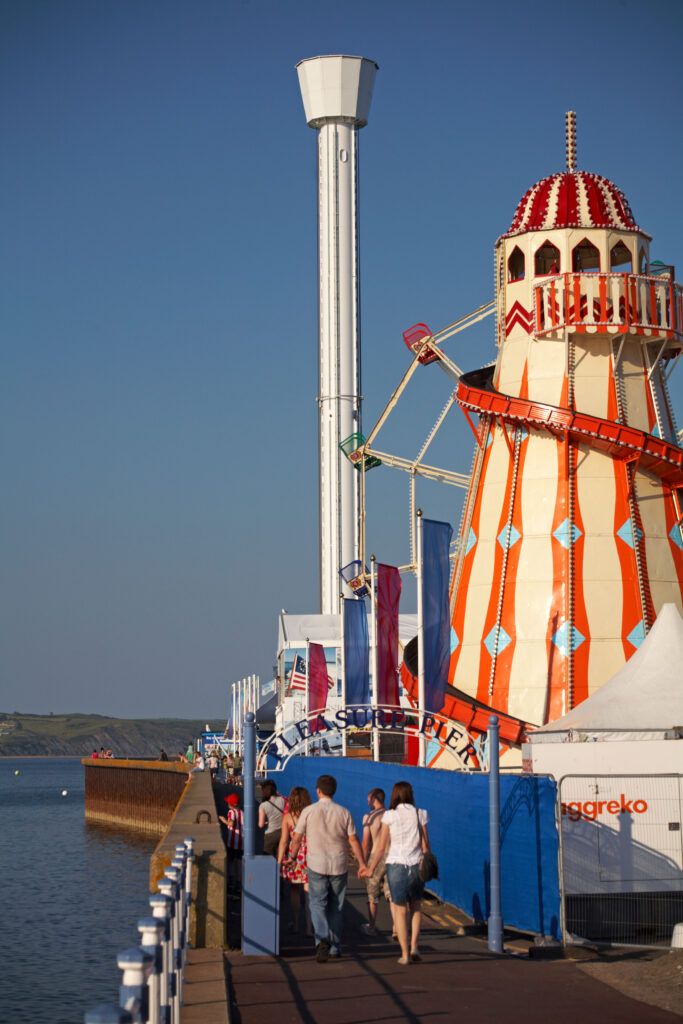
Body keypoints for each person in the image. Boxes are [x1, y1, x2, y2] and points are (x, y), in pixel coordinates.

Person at [289, 774, 367, 963]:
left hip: (316, 864)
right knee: (336, 906)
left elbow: (297, 838)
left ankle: (322, 939)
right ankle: (334, 946)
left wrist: (292, 857)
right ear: (334, 791)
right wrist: (362, 863)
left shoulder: (308, 811)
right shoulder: (344, 812)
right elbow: (353, 840)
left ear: (318, 791)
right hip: (339, 864)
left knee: (316, 904)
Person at [361, 780, 429, 966]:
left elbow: (381, 848)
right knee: (415, 906)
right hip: (416, 865)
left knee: (399, 910)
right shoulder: (420, 813)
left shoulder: (390, 816)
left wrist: (370, 868)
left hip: (396, 864)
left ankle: (405, 954)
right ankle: (415, 946)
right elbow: (425, 846)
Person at [360, 788, 394, 938]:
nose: (367, 801)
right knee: (391, 894)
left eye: (368, 797)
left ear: (373, 798)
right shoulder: (390, 815)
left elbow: (366, 843)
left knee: (372, 895)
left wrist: (362, 863)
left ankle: (372, 926)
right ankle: (396, 927)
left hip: (375, 856)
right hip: (391, 856)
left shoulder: (369, 817)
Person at [277, 786, 312, 932]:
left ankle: (296, 923)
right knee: (309, 891)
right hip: (310, 854)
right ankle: (310, 926)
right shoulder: (311, 815)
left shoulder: (288, 817)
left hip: (294, 855)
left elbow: (284, 841)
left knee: (295, 891)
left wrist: (279, 861)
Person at [218, 793, 244, 891]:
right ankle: (239, 882)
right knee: (239, 862)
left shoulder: (231, 812)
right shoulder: (242, 812)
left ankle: (231, 882)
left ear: (231, 804)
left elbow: (231, 823)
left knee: (231, 862)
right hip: (241, 842)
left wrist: (223, 820)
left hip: (233, 842)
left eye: (228, 802)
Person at [258, 780, 286, 856]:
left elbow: (261, 824)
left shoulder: (263, 805)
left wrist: (266, 823)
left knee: (268, 859)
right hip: (282, 832)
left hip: (270, 835)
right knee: (280, 856)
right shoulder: (282, 800)